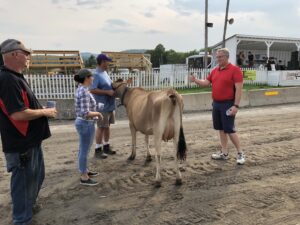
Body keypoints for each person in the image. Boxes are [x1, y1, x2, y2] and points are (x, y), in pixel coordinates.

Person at [0, 39, 57, 225]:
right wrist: (45, 112)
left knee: (36, 176)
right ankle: (21, 219)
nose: (28, 57)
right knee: (23, 183)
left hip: (30, 142)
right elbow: (18, 114)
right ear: (14, 54)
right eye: (26, 53)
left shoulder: (15, 77)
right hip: (21, 144)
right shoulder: (7, 79)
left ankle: (28, 208)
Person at [189, 48, 245, 165]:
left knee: (229, 129)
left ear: (226, 57)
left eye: (220, 57)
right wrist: (195, 80)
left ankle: (240, 153)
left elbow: (239, 90)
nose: (218, 59)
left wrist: (236, 106)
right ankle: (224, 153)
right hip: (216, 104)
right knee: (221, 129)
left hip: (228, 104)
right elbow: (206, 83)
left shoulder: (235, 70)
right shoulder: (215, 71)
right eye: (217, 57)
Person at [74, 69, 103, 186]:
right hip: (86, 123)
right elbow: (86, 112)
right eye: (91, 76)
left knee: (83, 149)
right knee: (85, 151)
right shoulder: (85, 92)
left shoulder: (81, 89)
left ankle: (84, 171)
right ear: (86, 78)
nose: (93, 78)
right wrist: (98, 114)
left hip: (83, 123)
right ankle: (84, 177)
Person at [90, 54, 117, 158]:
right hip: (101, 106)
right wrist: (107, 92)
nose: (108, 64)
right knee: (101, 127)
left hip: (109, 104)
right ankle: (97, 149)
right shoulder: (95, 74)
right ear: (102, 62)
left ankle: (106, 146)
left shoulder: (105, 72)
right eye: (107, 62)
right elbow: (92, 89)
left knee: (107, 126)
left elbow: (110, 84)